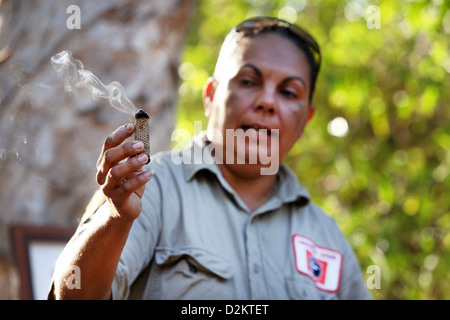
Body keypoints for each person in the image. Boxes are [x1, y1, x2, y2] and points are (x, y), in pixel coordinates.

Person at [50, 16, 371, 300]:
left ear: (306, 120)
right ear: (210, 97)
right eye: (248, 81)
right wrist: (115, 219)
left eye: (289, 92)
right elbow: (72, 296)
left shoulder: (326, 235)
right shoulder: (149, 188)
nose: (267, 102)